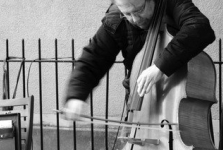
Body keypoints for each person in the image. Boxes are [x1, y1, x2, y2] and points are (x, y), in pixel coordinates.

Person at [62, 0, 215, 121]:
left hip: (178, 115)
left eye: (139, 10)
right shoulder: (116, 18)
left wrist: (159, 67)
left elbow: (199, 27)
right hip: (139, 113)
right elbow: (93, 59)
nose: (134, 19)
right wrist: (76, 96)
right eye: (127, 14)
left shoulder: (172, 3)